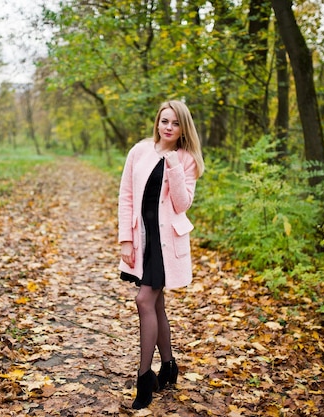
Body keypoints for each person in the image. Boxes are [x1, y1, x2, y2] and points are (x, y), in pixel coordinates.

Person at [118, 100, 204, 409]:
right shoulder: (139, 151)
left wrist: (174, 166)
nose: (167, 127)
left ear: (183, 128)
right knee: (156, 302)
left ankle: (145, 379)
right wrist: (125, 240)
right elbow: (126, 196)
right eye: (164, 121)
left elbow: (182, 204)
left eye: (175, 123)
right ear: (157, 122)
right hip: (144, 240)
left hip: (166, 244)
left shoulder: (187, 159)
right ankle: (168, 366)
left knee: (144, 300)